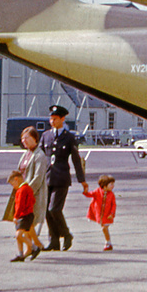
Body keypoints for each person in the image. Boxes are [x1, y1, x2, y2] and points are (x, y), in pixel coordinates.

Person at [39, 105, 88, 250]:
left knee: (54, 209)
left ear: (62, 119)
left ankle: (66, 234)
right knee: (47, 211)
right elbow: (40, 156)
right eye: (51, 119)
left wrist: (82, 180)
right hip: (47, 178)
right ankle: (53, 241)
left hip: (61, 179)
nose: (52, 121)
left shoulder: (69, 137)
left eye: (55, 119)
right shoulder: (46, 136)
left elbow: (76, 159)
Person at [18, 126, 48, 242]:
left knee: (28, 223)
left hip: (33, 195)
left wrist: (27, 192)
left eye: (26, 138)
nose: (23, 141)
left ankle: (31, 248)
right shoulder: (25, 154)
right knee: (26, 224)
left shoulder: (39, 155)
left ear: (35, 138)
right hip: (23, 194)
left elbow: (38, 177)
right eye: (22, 138)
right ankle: (35, 246)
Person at [7, 170, 42, 262]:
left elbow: (20, 205)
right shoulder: (28, 188)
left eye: (12, 184)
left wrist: (16, 216)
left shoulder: (21, 190)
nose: (13, 187)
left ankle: (34, 247)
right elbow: (33, 200)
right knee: (21, 234)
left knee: (18, 235)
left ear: (16, 179)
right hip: (28, 214)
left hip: (24, 216)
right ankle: (21, 254)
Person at [84, 175, 117, 251]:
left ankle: (108, 243)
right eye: (111, 184)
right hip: (100, 215)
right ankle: (108, 243)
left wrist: (112, 214)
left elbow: (114, 205)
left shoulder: (111, 194)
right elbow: (90, 194)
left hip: (107, 215)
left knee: (104, 228)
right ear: (104, 185)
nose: (113, 186)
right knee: (104, 228)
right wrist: (85, 191)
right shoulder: (97, 191)